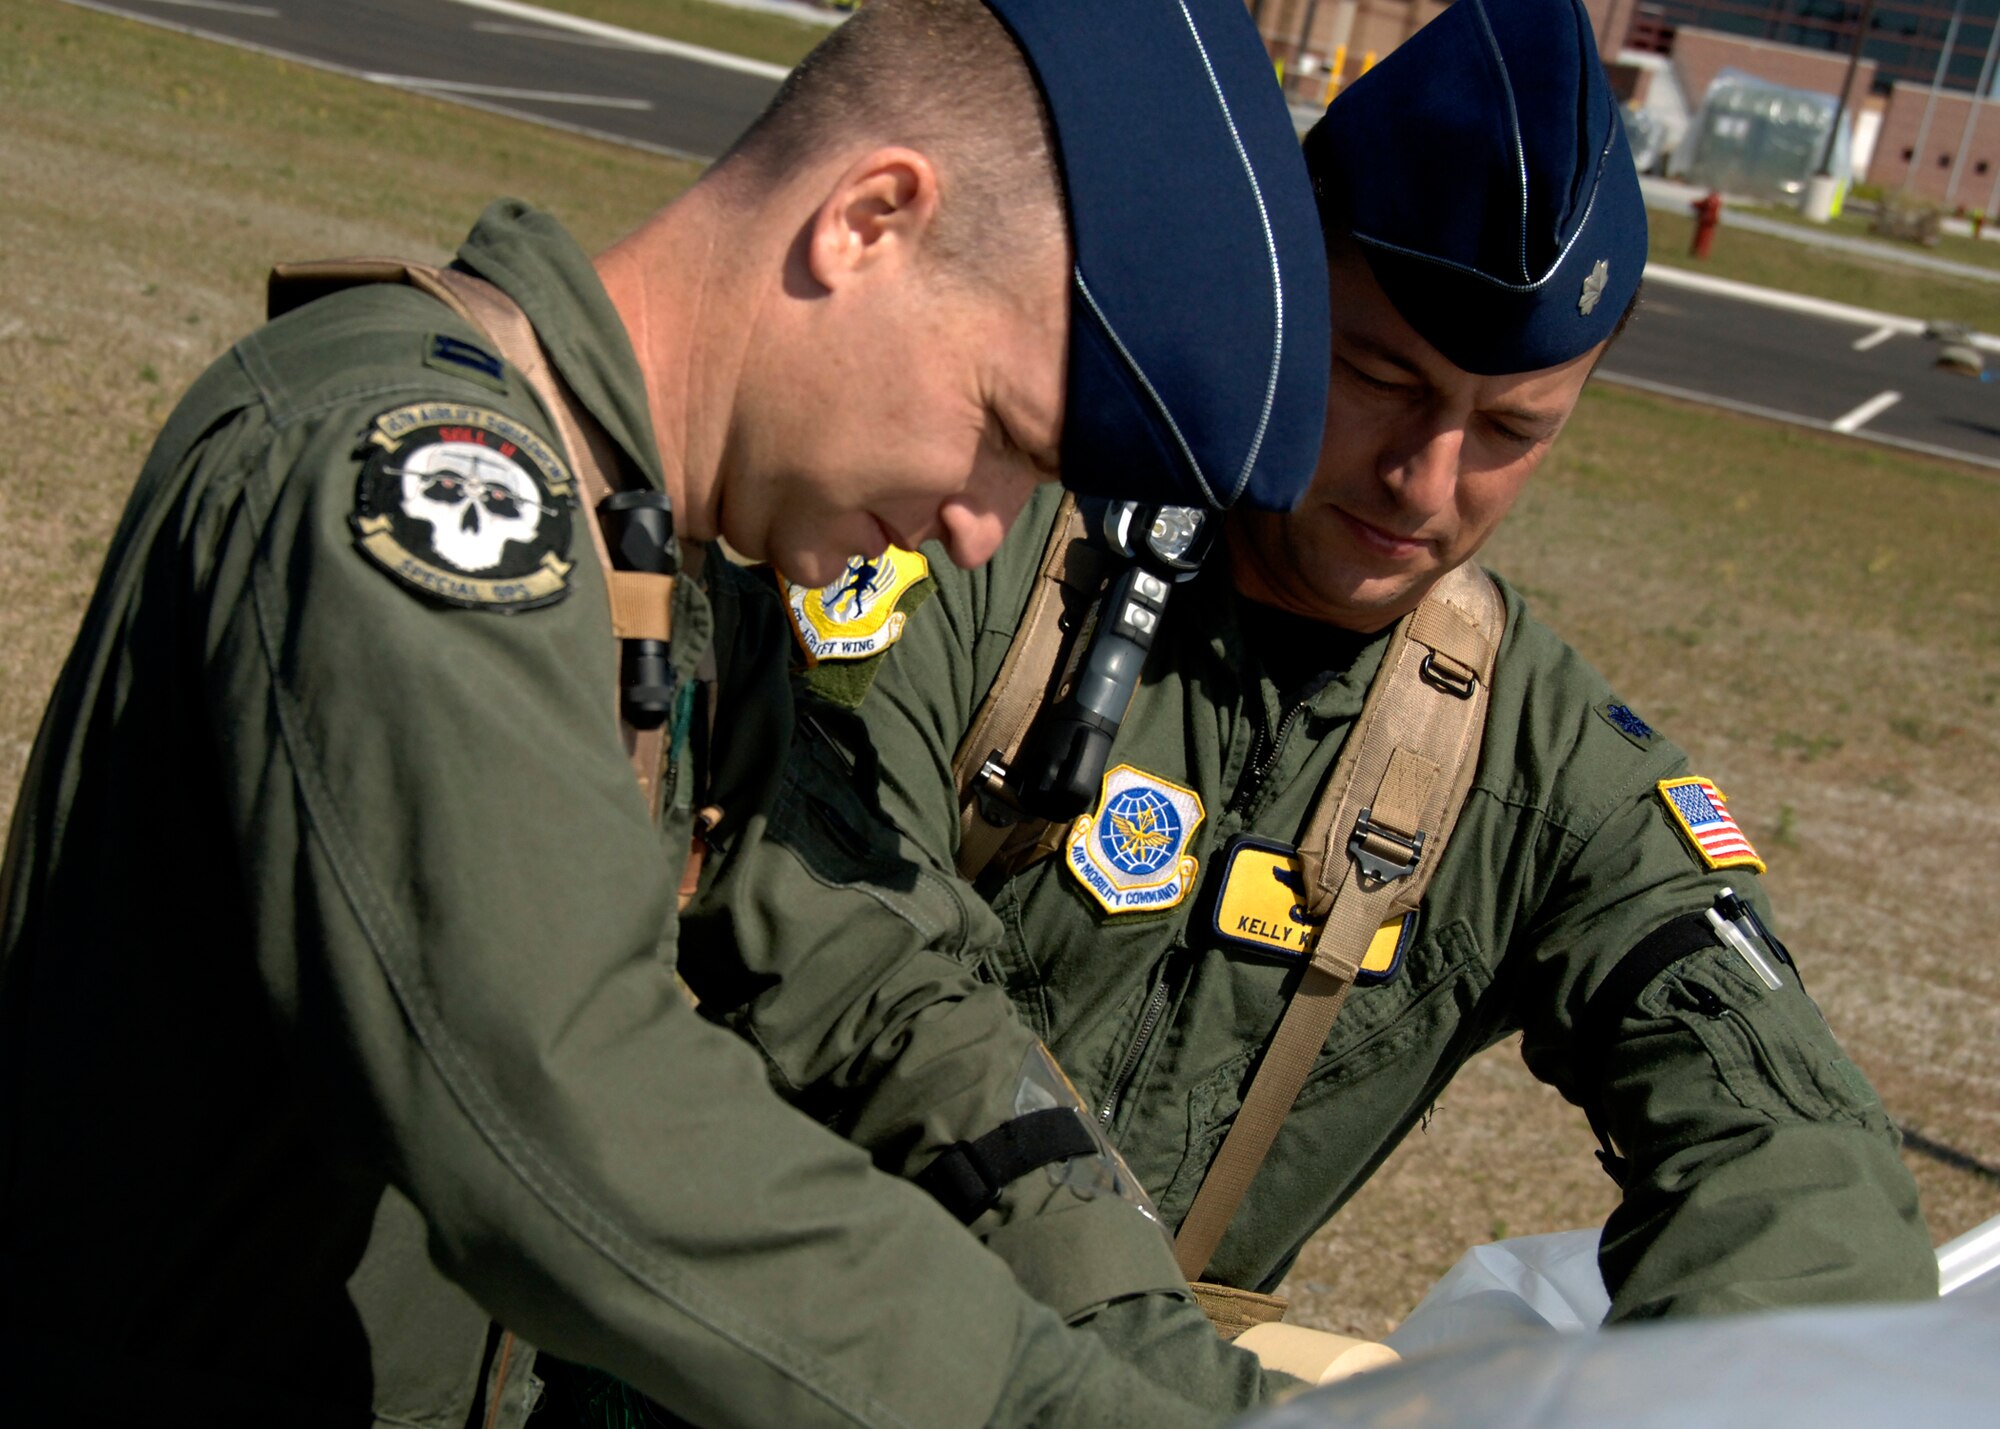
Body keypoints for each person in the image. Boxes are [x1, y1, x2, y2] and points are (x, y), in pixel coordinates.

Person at [0, 2, 1338, 1425]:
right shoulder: (426, 487)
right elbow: (567, 1107)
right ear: (868, 218)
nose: (980, 531)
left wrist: (1196, 1385)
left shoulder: (671, 568)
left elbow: (879, 977)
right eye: (1005, 438)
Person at [681, 0, 1936, 1362]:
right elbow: (840, 933)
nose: (1427, 480)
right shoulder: (984, 529)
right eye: (1377, 376)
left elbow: (1800, 1153)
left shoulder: (1538, 763)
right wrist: (1140, 1345)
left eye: (1512, 429)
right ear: (1280, 270)